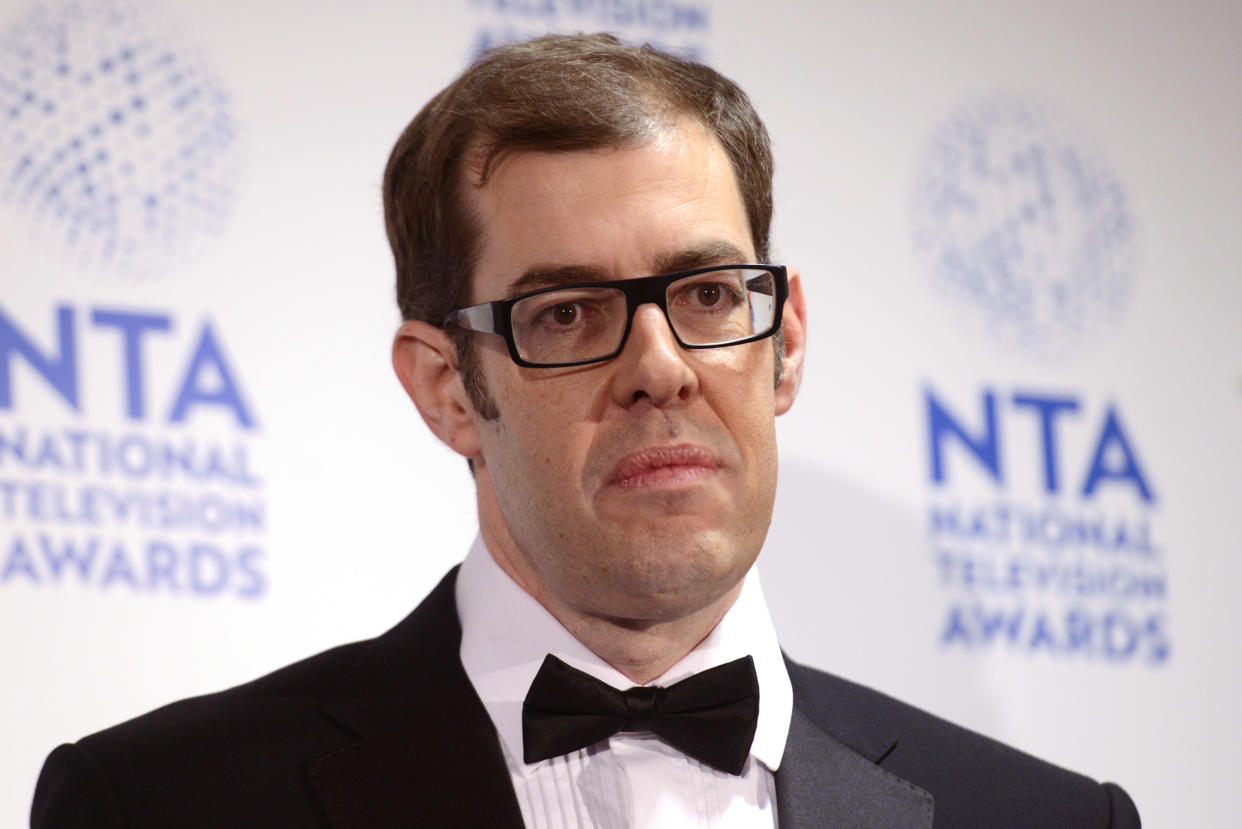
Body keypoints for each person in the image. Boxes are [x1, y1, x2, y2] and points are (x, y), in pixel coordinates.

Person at [31, 33, 1140, 829]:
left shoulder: (1043, 815)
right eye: (566, 313)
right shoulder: (163, 803)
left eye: (708, 295)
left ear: (785, 341)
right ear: (445, 387)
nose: (660, 368)